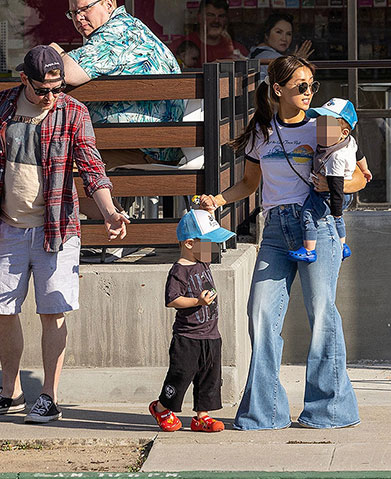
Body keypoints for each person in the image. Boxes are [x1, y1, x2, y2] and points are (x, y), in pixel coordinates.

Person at [0, 45, 129, 423]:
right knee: (4, 310)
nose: (52, 96)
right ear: (24, 79)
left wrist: (110, 211)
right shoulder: (2, 104)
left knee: (53, 312)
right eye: (43, 89)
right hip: (8, 226)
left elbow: (92, 168)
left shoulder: (72, 111)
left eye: (58, 87)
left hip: (57, 228)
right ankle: (10, 391)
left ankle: (49, 395)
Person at [198, 55, 366, 430]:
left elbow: (359, 177)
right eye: (300, 86)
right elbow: (249, 185)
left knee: (322, 313)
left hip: (317, 226)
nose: (309, 92)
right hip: (275, 229)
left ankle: (330, 410)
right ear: (278, 90)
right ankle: (265, 412)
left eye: (312, 85)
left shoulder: (323, 126)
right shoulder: (262, 131)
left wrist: (331, 185)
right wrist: (218, 200)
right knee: (259, 312)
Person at [50, 0, 184, 169]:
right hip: (152, 146)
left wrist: (55, 53)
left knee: (54, 160)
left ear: (108, 4)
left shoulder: (118, 33)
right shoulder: (129, 26)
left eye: (84, 9)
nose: (78, 17)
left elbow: (65, 73)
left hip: (142, 151)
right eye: (73, 13)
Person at [149, 208, 234, 433]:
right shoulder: (179, 271)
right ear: (189, 244)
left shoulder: (203, 262)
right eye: (208, 243)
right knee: (180, 375)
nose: (213, 248)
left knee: (210, 377)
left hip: (211, 335)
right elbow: (172, 300)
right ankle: (161, 407)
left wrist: (208, 212)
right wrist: (197, 301)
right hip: (188, 337)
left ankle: (202, 416)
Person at [288, 98, 372, 263]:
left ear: (344, 133)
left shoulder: (335, 157)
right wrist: (365, 169)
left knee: (308, 214)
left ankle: (309, 250)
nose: (321, 132)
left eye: (328, 129)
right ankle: (343, 246)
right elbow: (359, 154)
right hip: (336, 192)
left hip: (331, 194)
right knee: (337, 217)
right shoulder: (349, 142)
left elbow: (336, 185)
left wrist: (336, 210)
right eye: (320, 126)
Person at [170, 0, 249, 69]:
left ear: (226, 19)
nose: (216, 20)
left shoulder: (238, 50)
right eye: (210, 15)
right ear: (199, 17)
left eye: (221, 16)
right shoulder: (180, 46)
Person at [249, 12, 313, 75]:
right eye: (278, 32)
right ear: (266, 34)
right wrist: (295, 63)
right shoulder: (273, 57)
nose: (284, 39)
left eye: (288, 34)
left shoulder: (254, 51)